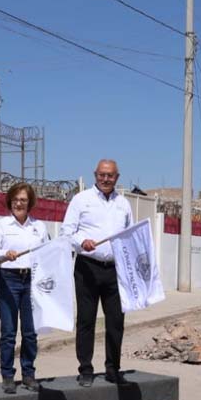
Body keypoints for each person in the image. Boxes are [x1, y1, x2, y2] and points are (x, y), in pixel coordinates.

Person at [61, 159, 133, 386]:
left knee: (115, 322)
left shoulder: (124, 204)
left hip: (115, 270)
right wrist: (83, 242)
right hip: (87, 268)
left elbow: (129, 235)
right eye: (102, 174)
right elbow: (67, 231)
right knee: (86, 320)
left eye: (110, 175)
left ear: (117, 177)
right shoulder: (81, 200)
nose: (105, 179)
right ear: (95, 175)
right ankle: (85, 370)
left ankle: (113, 369)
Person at [0, 182, 49, 393]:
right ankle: (7, 376)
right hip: (8, 279)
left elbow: (47, 251)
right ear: (10, 201)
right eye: (15, 199)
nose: (19, 203)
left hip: (32, 280)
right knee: (9, 332)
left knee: (30, 332)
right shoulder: (1, 226)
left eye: (23, 200)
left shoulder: (39, 226)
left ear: (29, 202)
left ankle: (29, 374)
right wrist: (5, 253)